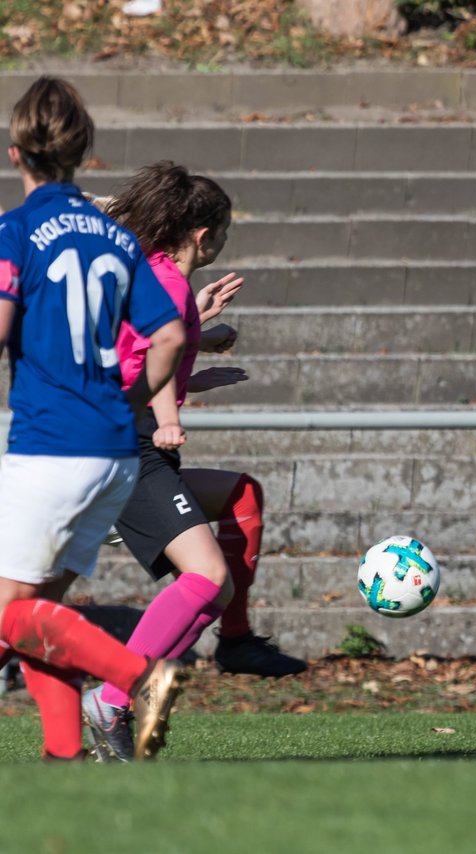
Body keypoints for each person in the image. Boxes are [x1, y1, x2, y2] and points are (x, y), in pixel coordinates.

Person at [79, 161, 308, 760]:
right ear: (203, 235)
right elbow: (152, 352)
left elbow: (141, 352)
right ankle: (113, 697)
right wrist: (171, 414)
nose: (224, 243)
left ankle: (230, 643)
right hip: (128, 447)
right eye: (225, 234)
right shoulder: (166, 284)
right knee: (207, 578)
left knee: (240, 497)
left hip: (127, 440)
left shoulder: (158, 279)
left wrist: (196, 342)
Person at [0, 76, 186, 761]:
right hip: (113, 450)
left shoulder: (16, 230)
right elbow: (167, 337)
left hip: (50, 447)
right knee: (36, 615)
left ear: (16, 152)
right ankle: (63, 758)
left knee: (9, 614)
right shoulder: (116, 237)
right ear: (82, 153)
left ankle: (142, 675)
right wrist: (134, 403)